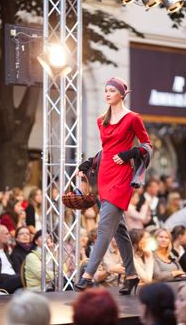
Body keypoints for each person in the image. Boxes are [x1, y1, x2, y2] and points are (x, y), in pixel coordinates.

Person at [75, 77, 152, 294]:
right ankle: (132, 275)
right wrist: (90, 161)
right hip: (104, 175)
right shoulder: (101, 120)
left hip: (122, 177)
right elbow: (106, 148)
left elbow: (147, 145)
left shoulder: (133, 118)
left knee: (104, 227)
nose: (107, 94)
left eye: (111, 90)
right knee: (119, 230)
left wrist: (132, 152)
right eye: (105, 90)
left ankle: (87, 275)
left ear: (121, 94)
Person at [0, 225, 22, 293]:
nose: (10, 235)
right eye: (6, 234)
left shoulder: (5, 251)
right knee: (22, 278)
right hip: (0, 284)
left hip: (14, 280)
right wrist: (12, 277)